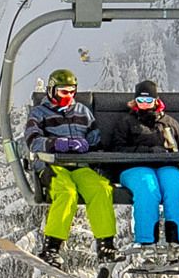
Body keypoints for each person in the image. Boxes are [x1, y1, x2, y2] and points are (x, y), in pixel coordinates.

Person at [23, 68, 114, 267]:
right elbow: (32, 141)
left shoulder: (82, 112)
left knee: (101, 189)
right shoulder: (39, 113)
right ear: (51, 90)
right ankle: (51, 248)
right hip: (52, 165)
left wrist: (88, 148)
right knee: (67, 193)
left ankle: (106, 245)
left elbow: (95, 140)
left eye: (72, 92)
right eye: (63, 92)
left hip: (80, 165)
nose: (68, 96)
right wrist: (57, 144)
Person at [103, 80, 179, 269]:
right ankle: (148, 242)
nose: (144, 105)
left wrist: (173, 153)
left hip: (165, 166)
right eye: (140, 100)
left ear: (156, 100)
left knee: (177, 187)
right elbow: (118, 149)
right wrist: (146, 152)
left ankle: (176, 241)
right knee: (148, 189)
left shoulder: (168, 123)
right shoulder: (127, 122)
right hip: (133, 167)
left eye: (148, 101)